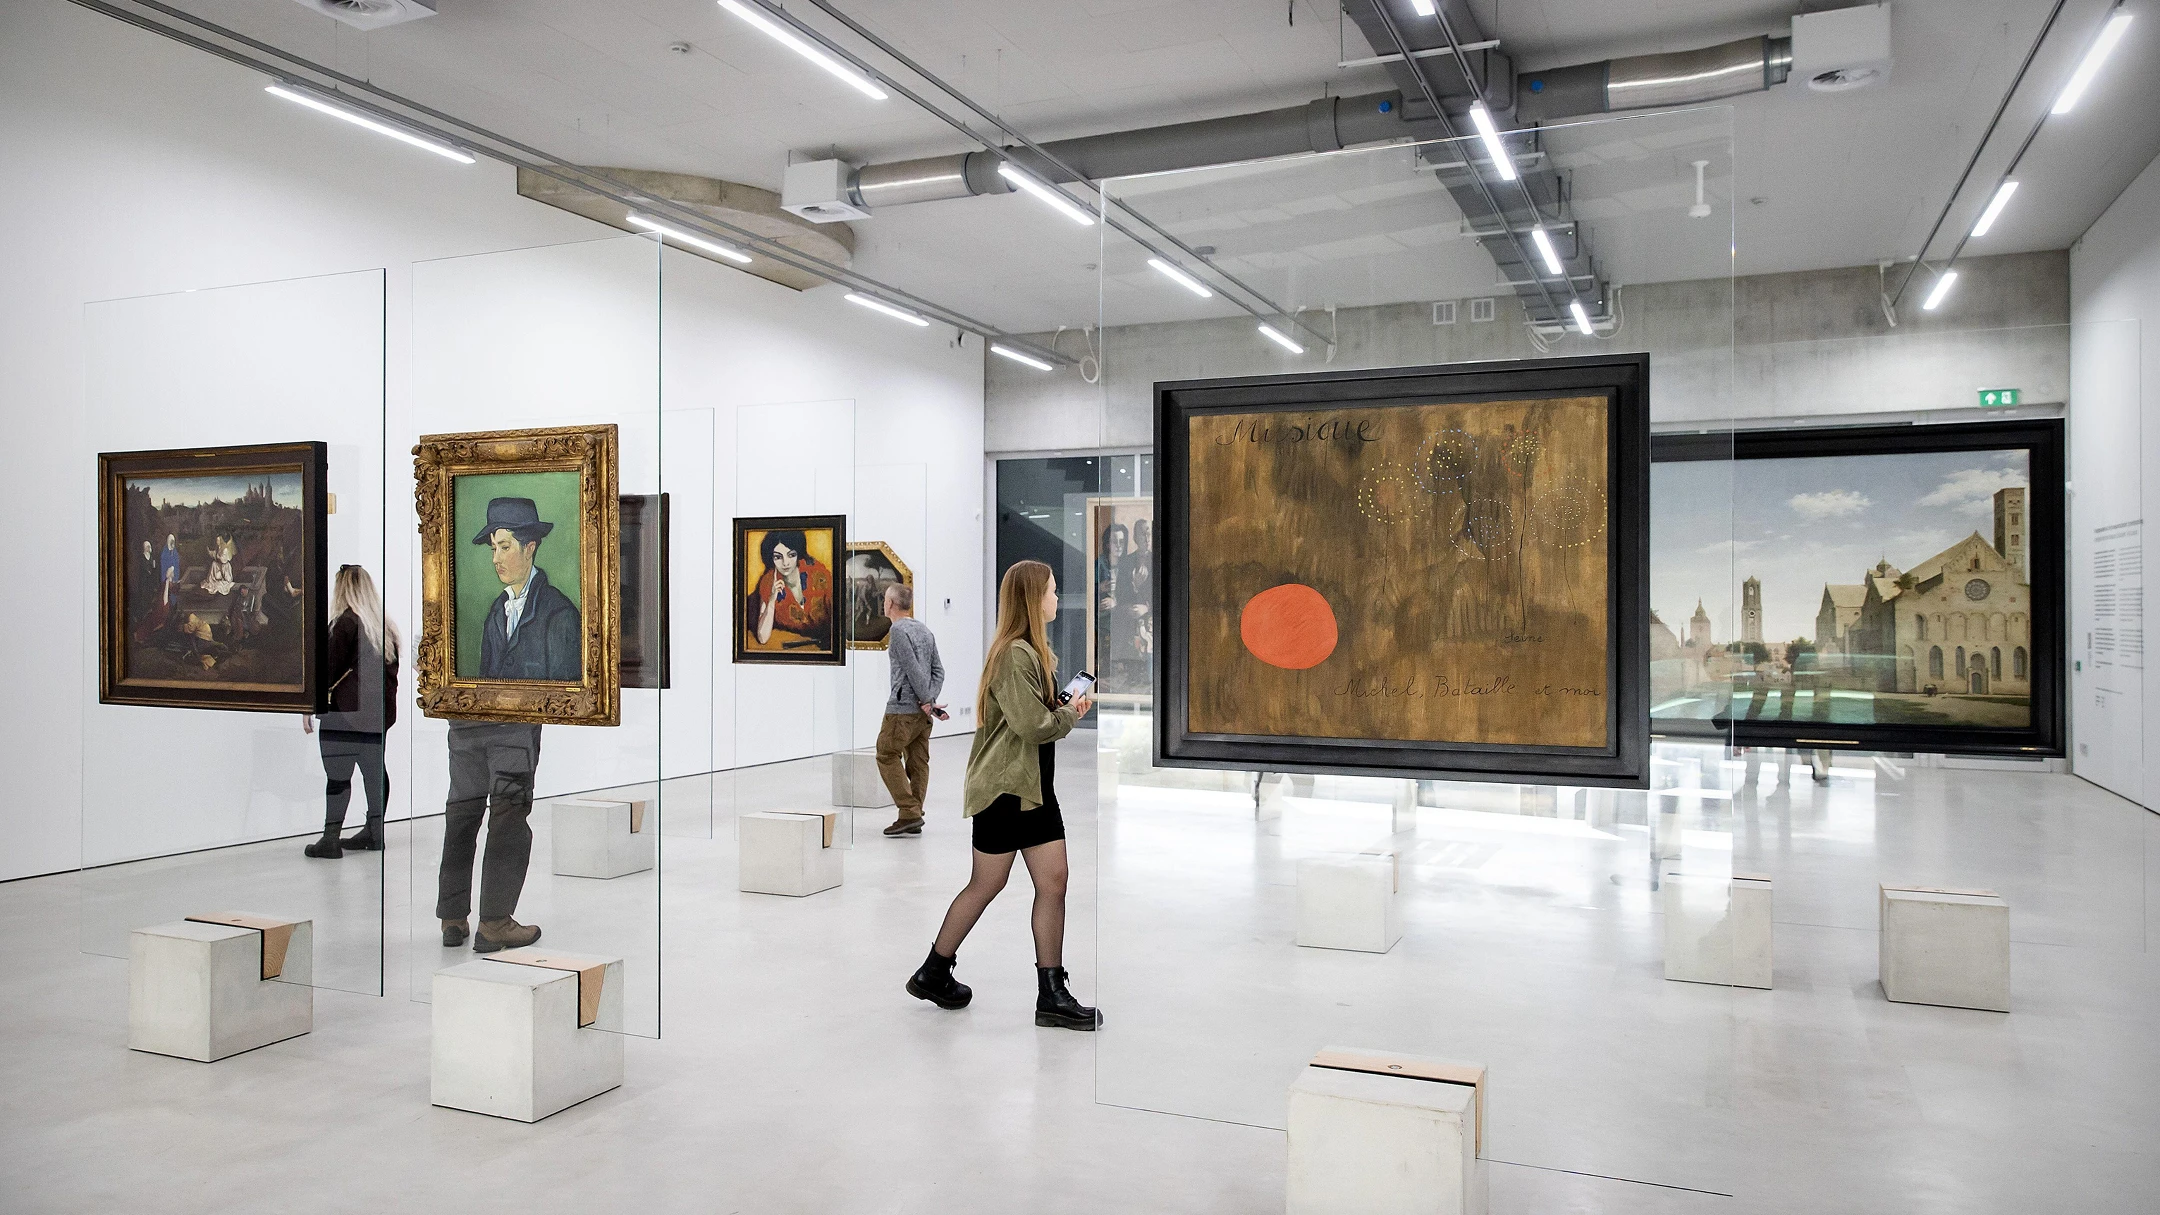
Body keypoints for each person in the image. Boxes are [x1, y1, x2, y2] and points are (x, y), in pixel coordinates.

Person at [907, 559, 1100, 1030]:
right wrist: (1071, 713)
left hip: (1029, 789)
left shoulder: (1032, 653)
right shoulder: (1016, 654)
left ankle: (1050, 993)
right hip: (1009, 790)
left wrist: (1060, 707)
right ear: (1034, 599)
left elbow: (1032, 716)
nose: (1057, 597)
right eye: (1053, 590)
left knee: (1052, 882)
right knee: (988, 884)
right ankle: (935, 970)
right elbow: (1033, 727)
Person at [437, 496, 579, 954]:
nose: (495, 557)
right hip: (474, 731)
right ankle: (473, 919)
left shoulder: (559, 614)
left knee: (504, 819)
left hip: (513, 737)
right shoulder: (495, 613)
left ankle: (478, 918)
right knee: (468, 816)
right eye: (492, 548)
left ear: (531, 546)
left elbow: (563, 687)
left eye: (503, 546)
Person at [300, 565, 400, 859]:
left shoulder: (344, 624)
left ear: (342, 589)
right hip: (375, 717)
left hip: (343, 715)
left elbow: (327, 672)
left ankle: (331, 839)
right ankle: (374, 831)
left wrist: (309, 706)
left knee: (338, 778)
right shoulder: (386, 629)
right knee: (374, 772)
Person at [877, 583, 946, 837]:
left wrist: (927, 698)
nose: (884, 604)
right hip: (923, 712)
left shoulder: (898, 631)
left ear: (891, 604)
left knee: (886, 753)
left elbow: (912, 669)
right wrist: (931, 701)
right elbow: (938, 670)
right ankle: (914, 813)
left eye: (885, 600)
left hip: (903, 709)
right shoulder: (925, 631)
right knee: (918, 760)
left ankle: (909, 812)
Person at [747, 528, 833, 651]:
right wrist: (771, 600)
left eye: (791, 555)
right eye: (778, 557)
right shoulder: (769, 581)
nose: (785, 563)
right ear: (771, 558)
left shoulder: (818, 573)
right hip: (794, 648)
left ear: (798, 553)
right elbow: (762, 637)